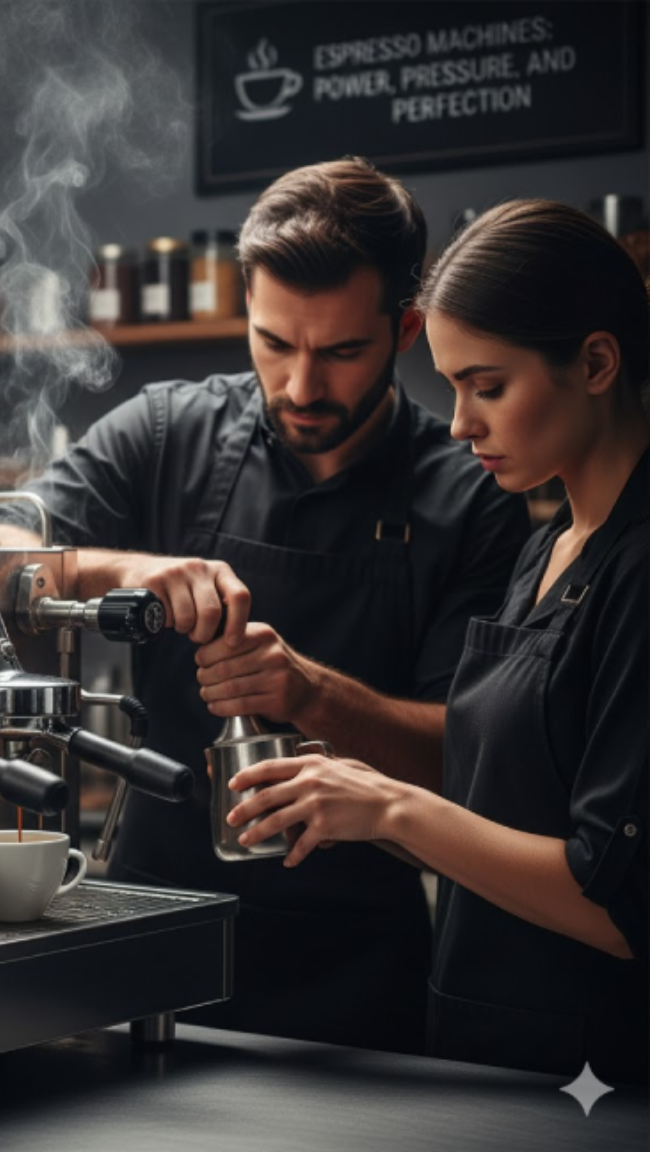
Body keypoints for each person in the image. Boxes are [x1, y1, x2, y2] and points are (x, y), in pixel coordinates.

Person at [0, 158, 532, 1054]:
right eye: (274, 343)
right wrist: (121, 570)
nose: (302, 386)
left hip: (355, 976)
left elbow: (468, 761)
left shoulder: (475, 501)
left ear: (407, 328)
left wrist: (312, 695)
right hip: (151, 930)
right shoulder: (164, 435)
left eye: (340, 352)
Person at [225, 199, 649, 1084]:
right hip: (495, 1050)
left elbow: (620, 904)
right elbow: (502, 814)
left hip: (604, 1076)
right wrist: (348, 801)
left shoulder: (638, 570)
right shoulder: (550, 545)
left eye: (487, 386)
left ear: (597, 362)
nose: (459, 424)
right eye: (452, 386)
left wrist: (390, 806)